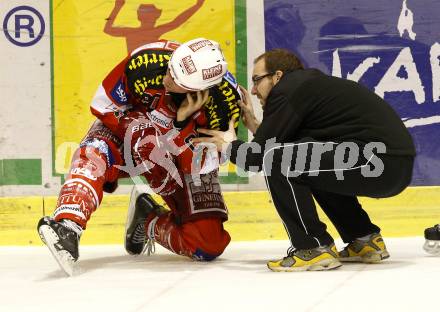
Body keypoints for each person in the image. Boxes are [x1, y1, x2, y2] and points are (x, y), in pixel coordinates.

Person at [193, 48, 416, 272]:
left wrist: (228, 145)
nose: (253, 90)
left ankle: (312, 248)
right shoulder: (306, 87)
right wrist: (254, 125)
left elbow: (257, 159)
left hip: (379, 161)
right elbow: (293, 147)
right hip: (391, 165)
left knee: (280, 160)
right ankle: (364, 239)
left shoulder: (289, 90)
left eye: (257, 80)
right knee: (305, 162)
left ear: (277, 76)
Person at [37, 38, 241, 276]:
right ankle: (68, 226)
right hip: (127, 134)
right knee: (93, 155)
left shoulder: (224, 105)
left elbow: (203, 163)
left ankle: (148, 218)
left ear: (198, 90)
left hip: (177, 160)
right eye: (170, 70)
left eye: (177, 81)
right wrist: (148, 134)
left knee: (208, 243)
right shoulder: (146, 61)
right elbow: (103, 106)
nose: (167, 79)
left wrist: (180, 126)